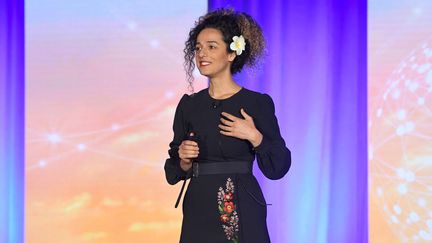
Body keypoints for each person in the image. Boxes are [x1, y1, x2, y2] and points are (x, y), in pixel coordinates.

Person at [164, 8, 291, 243]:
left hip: (240, 207)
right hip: (198, 209)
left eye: (212, 46)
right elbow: (172, 172)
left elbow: (278, 167)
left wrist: (255, 137)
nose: (202, 53)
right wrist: (183, 160)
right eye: (198, 47)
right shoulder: (189, 106)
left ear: (232, 54)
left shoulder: (256, 103)